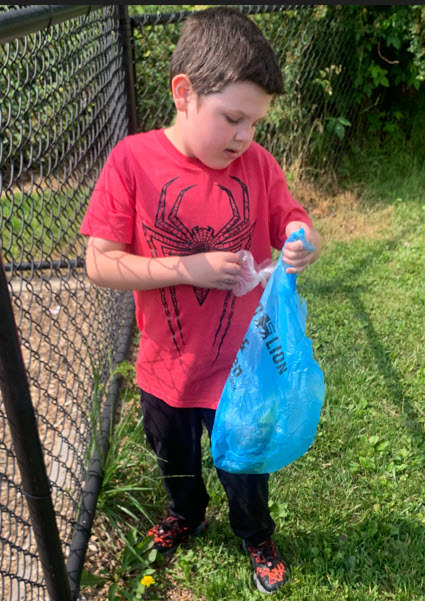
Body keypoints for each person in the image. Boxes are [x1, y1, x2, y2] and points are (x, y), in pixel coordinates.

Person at [80, 6, 322, 594]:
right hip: (165, 368)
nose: (245, 136)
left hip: (240, 368)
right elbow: (99, 262)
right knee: (176, 456)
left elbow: (288, 218)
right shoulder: (132, 161)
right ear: (184, 93)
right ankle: (185, 512)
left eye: (256, 123)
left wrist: (301, 239)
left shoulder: (257, 165)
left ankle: (254, 532)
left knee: (245, 461)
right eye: (233, 118)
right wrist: (187, 267)